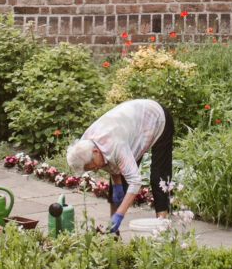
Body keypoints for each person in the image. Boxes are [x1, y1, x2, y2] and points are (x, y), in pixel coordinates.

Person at [63, 95, 172, 236]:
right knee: (119, 184)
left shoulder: (116, 146)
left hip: (156, 117)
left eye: (94, 166)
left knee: (158, 178)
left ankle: (161, 230)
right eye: (91, 169)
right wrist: (117, 186)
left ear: (95, 151)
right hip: (132, 127)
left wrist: (119, 215)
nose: (96, 170)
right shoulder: (84, 145)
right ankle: (113, 233)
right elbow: (110, 164)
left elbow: (135, 181)